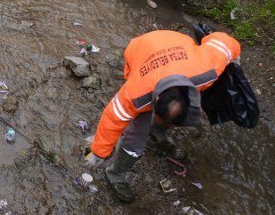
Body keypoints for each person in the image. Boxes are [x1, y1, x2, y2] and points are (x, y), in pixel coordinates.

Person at [83, 29, 241, 202]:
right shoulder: (135, 95)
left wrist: (234, 57)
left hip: (176, 43)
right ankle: (115, 174)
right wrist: (99, 152)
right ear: (153, 103)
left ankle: (157, 129)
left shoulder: (208, 69)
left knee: (167, 116)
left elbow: (225, 42)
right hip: (140, 49)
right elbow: (111, 119)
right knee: (135, 137)